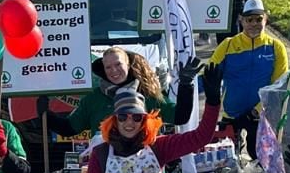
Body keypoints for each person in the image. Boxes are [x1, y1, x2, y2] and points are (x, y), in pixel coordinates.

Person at [86, 63, 224, 173]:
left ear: (144, 121)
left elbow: (200, 137)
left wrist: (212, 101)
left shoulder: (158, 147)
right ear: (114, 121)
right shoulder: (101, 154)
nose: (129, 122)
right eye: (123, 117)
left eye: (136, 117)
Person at [210, 0, 290, 173]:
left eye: (259, 19)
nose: (254, 24)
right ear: (241, 20)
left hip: (260, 117)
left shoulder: (276, 47)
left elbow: (280, 84)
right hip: (231, 115)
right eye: (249, 19)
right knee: (224, 171)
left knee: (261, 170)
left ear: (265, 19)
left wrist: (257, 109)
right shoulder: (229, 45)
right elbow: (211, 75)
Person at [44, 46, 195, 139]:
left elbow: (180, 117)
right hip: (105, 170)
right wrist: (45, 114)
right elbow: (69, 128)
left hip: (144, 169)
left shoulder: (147, 94)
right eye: (108, 67)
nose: (113, 71)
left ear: (128, 65)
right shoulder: (94, 98)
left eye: (118, 64)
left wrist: (186, 85)